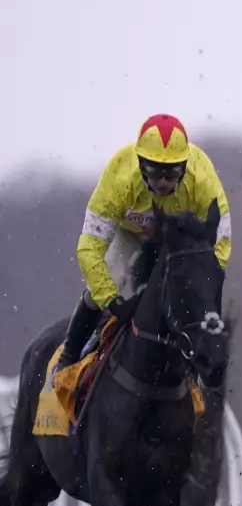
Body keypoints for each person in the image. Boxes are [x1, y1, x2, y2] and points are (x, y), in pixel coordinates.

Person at [54, 114, 231, 376]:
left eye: (171, 173)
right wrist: (113, 301)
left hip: (177, 243)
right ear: (139, 164)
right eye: (154, 172)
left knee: (191, 293)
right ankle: (70, 354)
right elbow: (89, 248)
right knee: (101, 286)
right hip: (127, 235)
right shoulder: (120, 176)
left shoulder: (202, 178)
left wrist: (201, 288)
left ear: (185, 167)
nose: (162, 182)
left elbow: (220, 246)